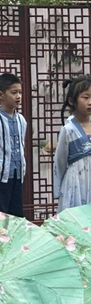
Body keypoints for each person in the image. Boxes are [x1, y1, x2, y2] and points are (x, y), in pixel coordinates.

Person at [54, 75, 91, 211]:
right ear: (72, 101)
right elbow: (60, 161)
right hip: (75, 183)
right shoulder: (68, 129)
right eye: (85, 98)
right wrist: (58, 189)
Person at [0, 73, 27, 217]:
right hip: (2, 175)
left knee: (16, 216)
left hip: (17, 175)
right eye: (14, 92)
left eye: (20, 92)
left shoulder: (21, 120)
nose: (18, 96)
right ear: (1, 95)